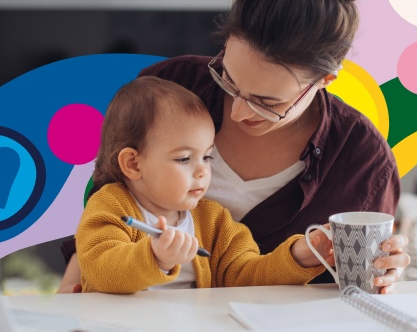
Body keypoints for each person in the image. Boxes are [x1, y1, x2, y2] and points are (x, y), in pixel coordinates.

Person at [59, 0, 410, 294]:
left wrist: (377, 267)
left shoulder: (363, 163)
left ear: (325, 80)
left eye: (267, 102)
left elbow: (348, 285)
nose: (239, 112)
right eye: (227, 78)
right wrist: (70, 302)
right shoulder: (168, 89)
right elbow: (102, 211)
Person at [77, 76, 335, 293]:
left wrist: (298, 256)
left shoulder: (214, 221)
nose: (202, 170)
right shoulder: (109, 205)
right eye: (184, 158)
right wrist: (156, 257)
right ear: (133, 164)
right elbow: (100, 268)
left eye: (208, 156)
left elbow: (246, 276)